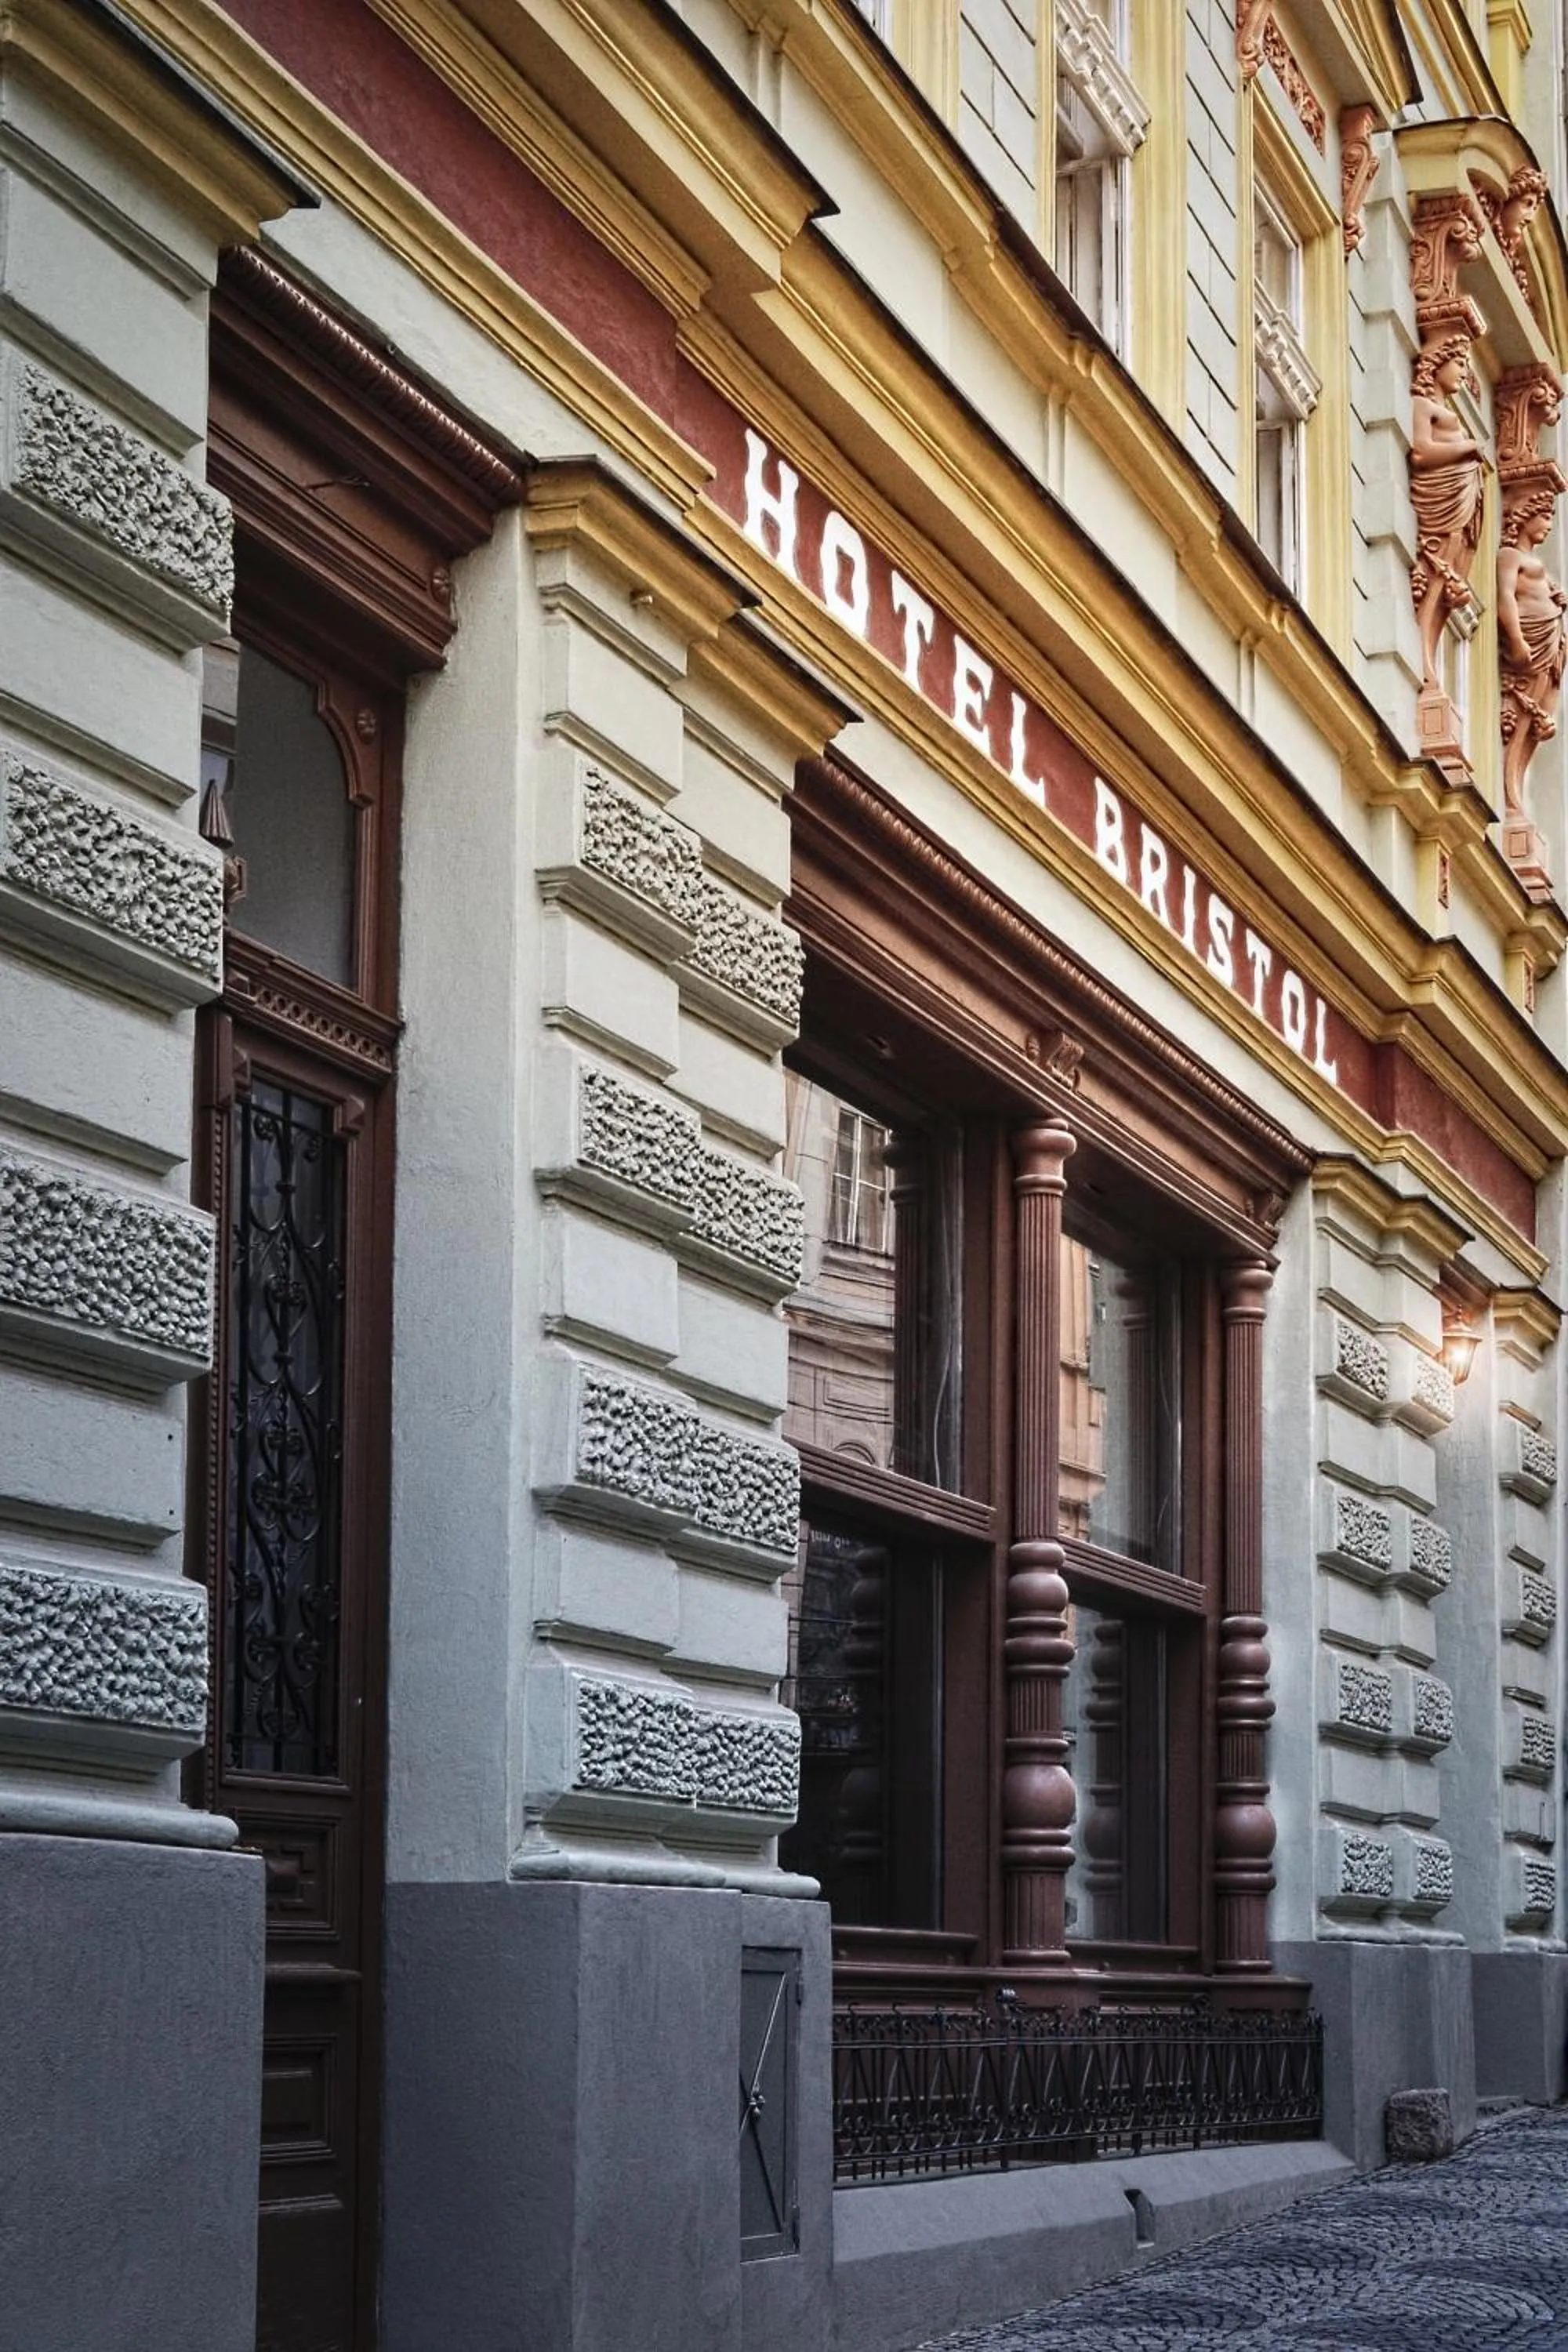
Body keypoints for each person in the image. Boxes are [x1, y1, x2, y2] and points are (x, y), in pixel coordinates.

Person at [1410, 334, 1487, 691]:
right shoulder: (1422, 405)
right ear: (1439, 362)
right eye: (1459, 363)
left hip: (1461, 504)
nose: (1463, 371)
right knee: (1436, 571)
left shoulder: (1445, 409)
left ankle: (1428, 653)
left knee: (1448, 578)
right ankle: (1423, 655)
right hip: (1441, 503)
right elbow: (1422, 453)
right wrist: (1467, 449)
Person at [1497, 491, 1567, 816]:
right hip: (1530, 645)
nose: (1549, 525)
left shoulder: (1536, 563)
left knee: (1539, 715)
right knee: (1522, 714)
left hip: (1549, 646)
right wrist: (1516, 639)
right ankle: (1510, 789)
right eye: (1545, 517)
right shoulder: (1510, 556)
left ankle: (1515, 788)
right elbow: (1506, 598)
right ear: (1526, 517)